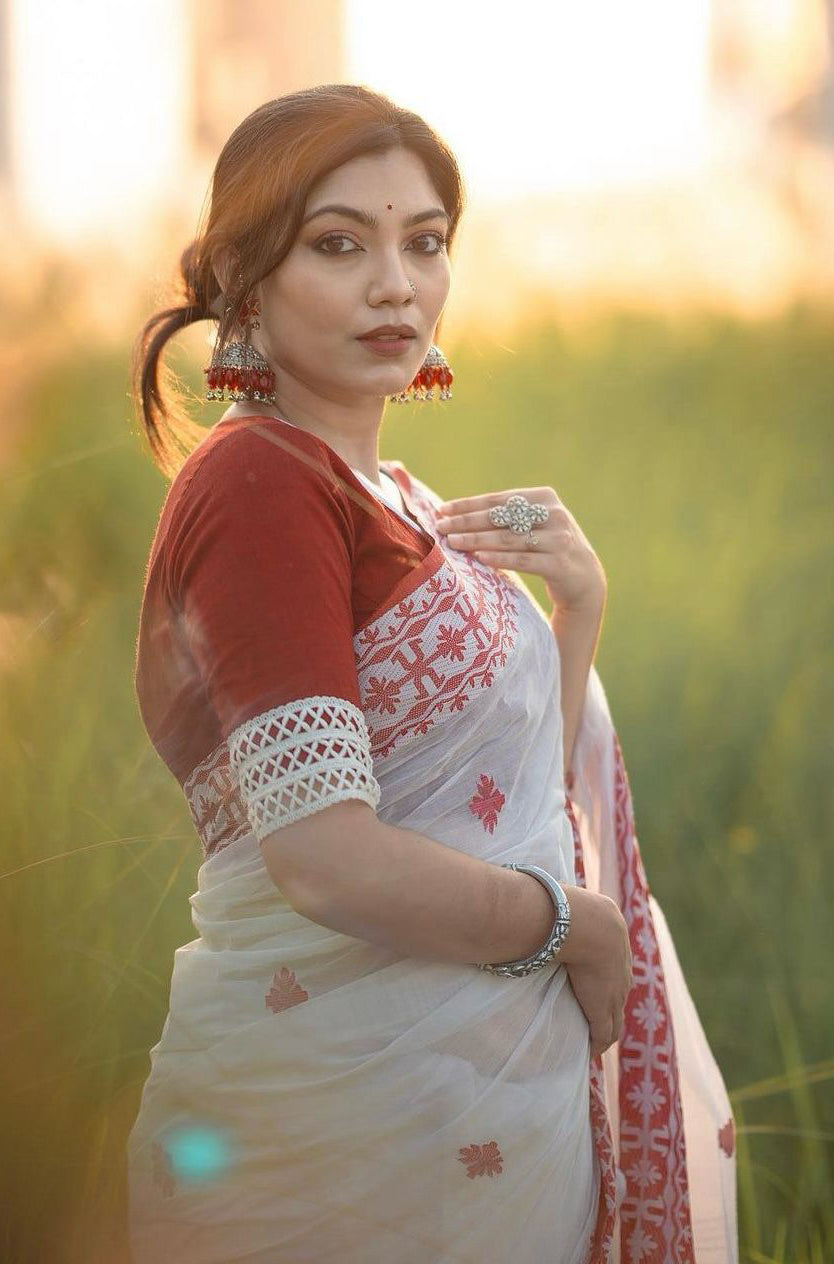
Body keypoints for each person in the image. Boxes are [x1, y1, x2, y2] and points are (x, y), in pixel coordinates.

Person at [126, 84, 738, 1264]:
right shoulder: (259, 487)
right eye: (340, 243)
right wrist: (577, 928)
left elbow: (508, 807)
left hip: (479, 1102)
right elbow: (325, 856)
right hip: (342, 1132)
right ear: (248, 279)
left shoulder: (399, 495)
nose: (394, 283)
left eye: (425, 244)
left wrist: (579, 610)